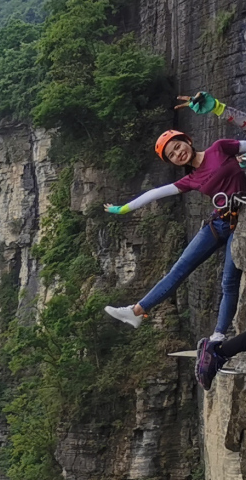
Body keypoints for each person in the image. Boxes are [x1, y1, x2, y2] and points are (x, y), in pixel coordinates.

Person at [102, 122, 246, 338]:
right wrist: (124, 208)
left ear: (187, 141)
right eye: (172, 155)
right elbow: (155, 193)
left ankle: (218, 335)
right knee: (179, 269)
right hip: (218, 223)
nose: (178, 153)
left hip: (241, 220)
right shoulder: (190, 180)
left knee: (228, 281)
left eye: (178, 147)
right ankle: (136, 311)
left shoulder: (219, 148)